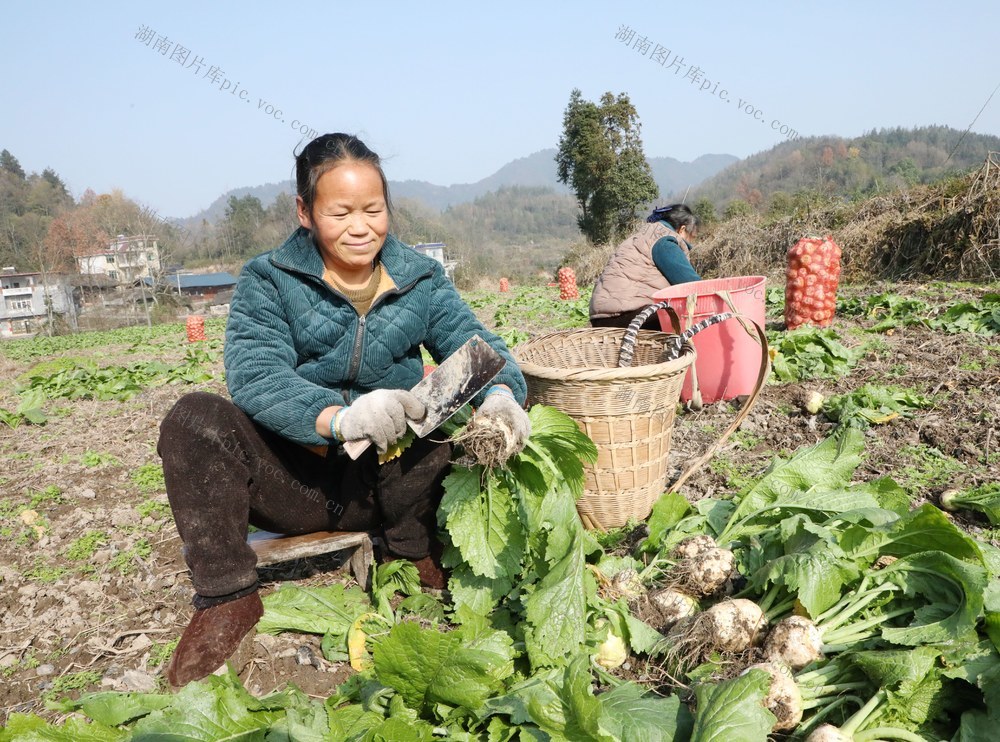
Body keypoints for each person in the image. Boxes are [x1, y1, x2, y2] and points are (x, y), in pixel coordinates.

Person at [157, 132, 531, 687]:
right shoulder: (270, 279)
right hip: (303, 485)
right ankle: (227, 597)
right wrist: (339, 417)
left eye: (373, 209)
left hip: (399, 478)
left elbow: (480, 351)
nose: (361, 227)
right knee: (194, 419)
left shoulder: (422, 280)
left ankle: (414, 550)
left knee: (456, 410)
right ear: (305, 212)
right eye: (341, 212)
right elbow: (257, 377)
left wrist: (504, 399)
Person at [589, 203, 702, 330]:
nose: (690, 244)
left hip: (602, 318)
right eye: (691, 238)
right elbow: (691, 285)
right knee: (686, 315)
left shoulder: (643, 236)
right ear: (682, 230)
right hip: (624, 317)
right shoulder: (665, 242)